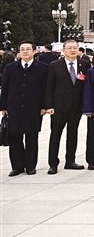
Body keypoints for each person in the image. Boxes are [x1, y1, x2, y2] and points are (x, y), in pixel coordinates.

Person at [0, 41, 48, 176]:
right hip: (14, 107)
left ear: (34, 51)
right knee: (15, 138)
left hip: (34, 108)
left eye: (28, 49)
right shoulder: (10, 67)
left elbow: (46, 88)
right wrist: (3, 106)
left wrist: (44, 105)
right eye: (22, 49)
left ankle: (31, 166)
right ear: (19, 52)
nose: (25, 51)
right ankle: (17, 166)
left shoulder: (43, 68)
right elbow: (5, 87)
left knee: (32, 138)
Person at [44, 39, 89, 174]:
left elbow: (86, 86)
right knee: (55, 135)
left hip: (76, 107)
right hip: (59, 107)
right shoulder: (54, 65)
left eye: (75, 48)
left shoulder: (84, 64)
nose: (72, 50)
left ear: (78, 49)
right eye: (69, 48)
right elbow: (49, 87)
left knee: (72, 134)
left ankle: (70, 161)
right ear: (64, 50)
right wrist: (49, 105)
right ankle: (53, 164)